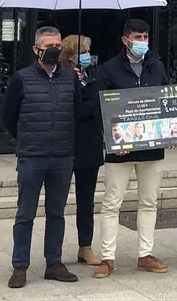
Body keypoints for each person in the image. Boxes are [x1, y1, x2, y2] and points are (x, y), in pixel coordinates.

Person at [1, 26, 80, 289]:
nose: (54, 50)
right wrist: (26, 139)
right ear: (36, 49)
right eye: (49, 45)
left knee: (56, 213)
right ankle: (20, 265)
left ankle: (54, 263)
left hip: (62, 156)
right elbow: (9, 118)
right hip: (32, 156)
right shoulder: (21, 78)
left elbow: (79, 113)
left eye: (58, 45)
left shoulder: (70, 78)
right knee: (25, 213)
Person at [93, 19, 170, 278]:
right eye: (138, 37)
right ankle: (107, 258)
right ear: (125, 40)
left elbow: (166, 101)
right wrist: (112, 138)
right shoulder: (108, 70)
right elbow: (99, 109)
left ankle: (145, 254)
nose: (142, 42)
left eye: (146, 37)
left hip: (151, 148)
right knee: (112, 202)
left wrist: (170, 130)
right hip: (120, 149)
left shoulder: (156, 66)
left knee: (149, 201)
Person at [59, 34, 104, 266]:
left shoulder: (92, 75)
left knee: (86, 201)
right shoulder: (63, 77)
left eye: (87, 51)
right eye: (82, 52)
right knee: (58, 201)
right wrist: (94, 106)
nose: (86, 56)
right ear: (69, 54)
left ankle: (85, 246)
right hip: (67, 146)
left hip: (90, 146)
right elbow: (73, 108)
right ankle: (54, 251)